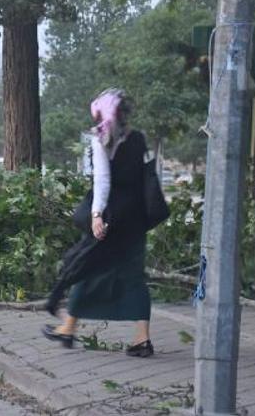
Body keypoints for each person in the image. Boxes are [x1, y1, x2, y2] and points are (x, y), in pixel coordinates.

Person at [42, 88, 154, 358]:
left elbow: (102, 180)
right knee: (133, 277)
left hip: (111, 219)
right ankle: (142, 339)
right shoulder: (138, 139)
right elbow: (148, 176)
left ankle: (68, 328)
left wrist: (96, 215)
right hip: (135, 220)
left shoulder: (101, 139)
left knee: (88, 267)